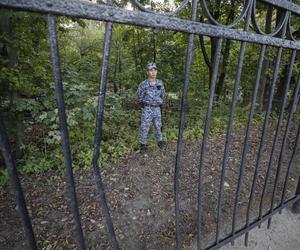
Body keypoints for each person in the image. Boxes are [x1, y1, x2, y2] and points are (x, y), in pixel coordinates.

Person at [137, 62, 165, 155]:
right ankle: (143, 146)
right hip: (147, 109)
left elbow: (163, 95)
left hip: (157, 109)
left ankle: (160, 142)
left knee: (158, 126)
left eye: (154, 70)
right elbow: (139, 98)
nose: (153, 72)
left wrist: (159, 103)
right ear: (147, 72)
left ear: (156, 71)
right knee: (145, 127)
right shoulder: (143, 84)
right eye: (151, 70)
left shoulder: (160, 83)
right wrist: (145, 105)